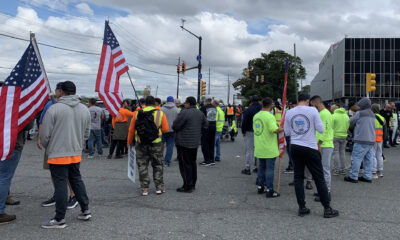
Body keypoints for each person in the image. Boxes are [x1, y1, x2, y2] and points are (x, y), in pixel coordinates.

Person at [40, 81, 91, 228]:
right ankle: (85, 210)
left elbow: (44, 135)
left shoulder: (54, 109)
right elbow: (87, 133)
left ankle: (59, 218)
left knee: (60, 183)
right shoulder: (84, 109)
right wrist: (78, 145)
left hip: (57, 152)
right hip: (75, 152)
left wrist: (48, 147)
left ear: (61, 91)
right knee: (76, 180)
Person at [284, 94, 339, 218]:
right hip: (310, 147)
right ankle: (327, 208)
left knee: (298, 177)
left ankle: (302, 207)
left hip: (295, 146)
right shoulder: (313, 110)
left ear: (298, 101)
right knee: (319, 178)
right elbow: (320, 129)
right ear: (308, 101)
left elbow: (287, 132)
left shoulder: (290, 112)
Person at [39, 83, 78, 209]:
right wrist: (41, 139)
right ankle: (58, 195)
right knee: (53, 171)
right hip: (53, 144)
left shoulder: (77, 106)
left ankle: (73, 195)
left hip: (67, 144)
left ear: (60, 91)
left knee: (68, 173)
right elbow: (42, 122)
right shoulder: (50, 105)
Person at [127, 96, 169, 196]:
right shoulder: (160, 113)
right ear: (155, 103)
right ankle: (159, 187)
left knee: (142, 165)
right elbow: (166, 129)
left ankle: (144, 188)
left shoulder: (137, 113)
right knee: (158, 164)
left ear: (145, 103)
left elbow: (131, 129)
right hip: (156, 143)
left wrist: (130, 142)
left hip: (141, 143)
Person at [173, 97, 208, 193]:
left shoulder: (184, 112)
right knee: (192, 163)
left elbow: (175, 125)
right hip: (195, 142)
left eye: (185, 103)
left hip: (184, 142)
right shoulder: (200, 113)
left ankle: (187, 185)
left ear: (188, 103)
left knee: (184, 164)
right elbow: (206, 125)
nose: (184, 104)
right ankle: (192, 183)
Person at [254, 98, 284, 198]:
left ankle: (260, 187)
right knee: (270, 169)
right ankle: (269, 190)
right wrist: (282, 128)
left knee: (261, 168)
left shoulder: (256, 116)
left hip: (259, 146)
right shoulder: (270, 116)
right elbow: (274, 130)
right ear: (271, 105)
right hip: (269, 147)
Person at [344, 97, 375, 184]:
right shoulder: (373, 114)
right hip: (371, 140)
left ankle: (353, 176)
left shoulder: (360, 113)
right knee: (369, 159)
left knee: (356, 158)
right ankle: (367, 176)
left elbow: (350, 121)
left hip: (361, 139)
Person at [310, 96, 334, 202]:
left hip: (325, 145)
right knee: (322, 169)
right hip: (323, 144)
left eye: (312, 104)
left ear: (316, 103)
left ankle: (326, 192)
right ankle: (323, 190)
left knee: (325, 169)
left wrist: (319, 144)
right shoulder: (323, 113)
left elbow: (324, 130)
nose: (312, 107)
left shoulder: (324, 114)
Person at [241, 96, 262, 175]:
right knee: (258, 150)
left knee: (249, 150)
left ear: (251, 101)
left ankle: (247, 168)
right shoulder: (262, 109)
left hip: (249, 131)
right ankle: (258, 167)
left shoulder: (249, 109)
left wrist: (243, 131)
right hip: (260, 131)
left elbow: (244, 122)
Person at [161, 96, 180, 167]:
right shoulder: (177, 110)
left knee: (161, 146)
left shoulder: (161, 109)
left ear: (167, 101)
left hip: (163, 130)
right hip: (172, 130)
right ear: (173, 101)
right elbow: (179, 121)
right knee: (170, 147)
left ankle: (159, 160)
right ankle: (167, 161)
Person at [331, 105, 350, 175]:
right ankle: (343, 169)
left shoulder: (333, 116)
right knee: (342, 153)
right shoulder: (346, 116)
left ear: (333, 110)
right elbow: (348, 127)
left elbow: (331, 127)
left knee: (335, 152)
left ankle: (336, 170)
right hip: (344, 136)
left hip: (335, 136)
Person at [200, 98, 217, 166]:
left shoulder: (204, 108)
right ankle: (212, 159)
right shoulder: (214, 108)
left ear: (206, 102)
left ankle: (207, 160)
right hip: (214, 126)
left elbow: (200, 117)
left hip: (206, 127)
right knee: (211, 143)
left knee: (205, 144)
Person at [371, 104, 385, 179]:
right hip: (380, 139)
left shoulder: (371, 117)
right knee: (379, 155)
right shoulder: (382, 118)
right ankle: (380, 172)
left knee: (372, 155)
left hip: (372, 138)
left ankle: (373, 172)